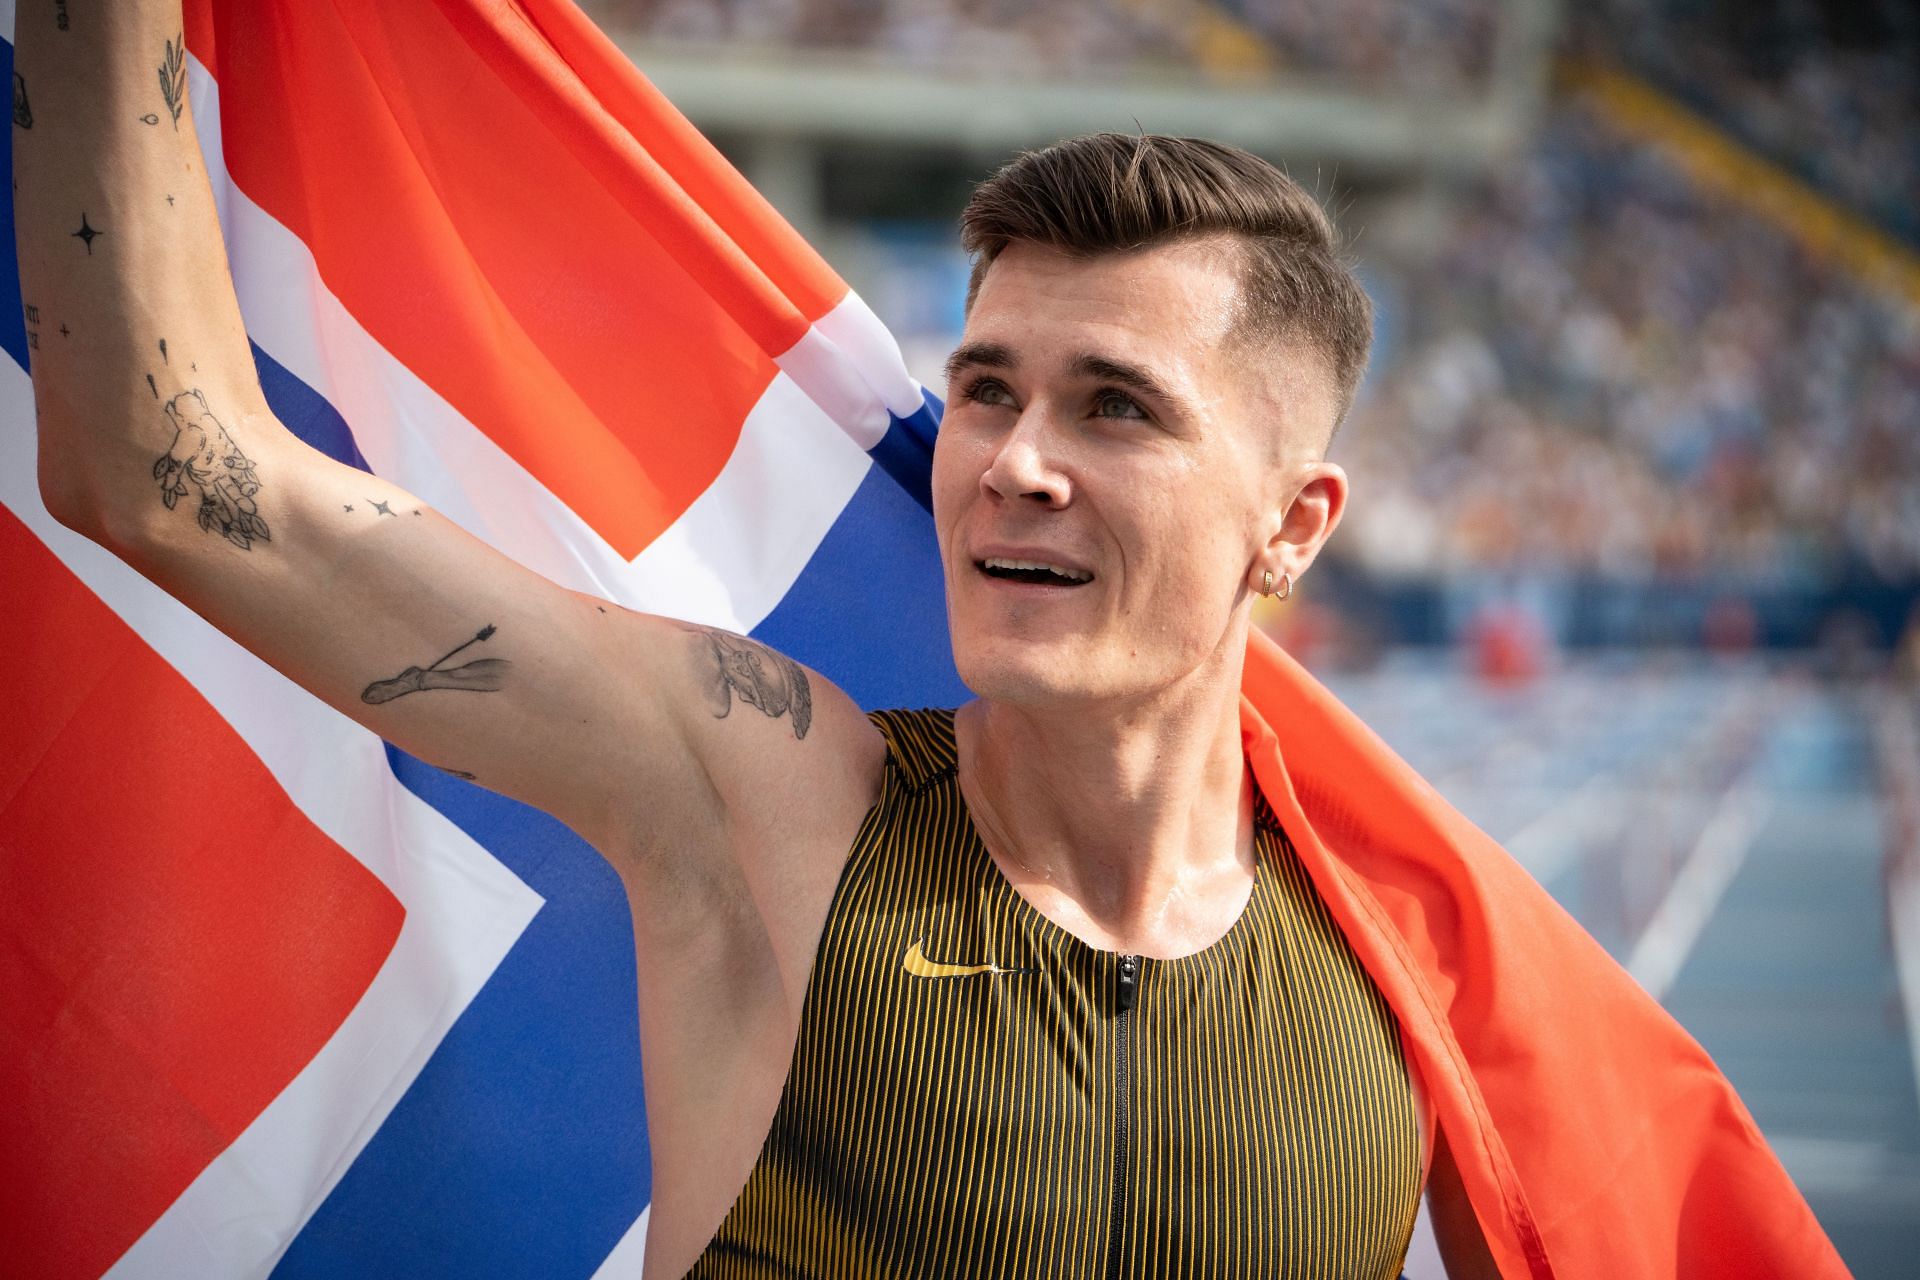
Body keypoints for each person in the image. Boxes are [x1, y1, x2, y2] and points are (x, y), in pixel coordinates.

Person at [17, 6, 1499, 1277]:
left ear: (1293, 527)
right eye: (986, 390)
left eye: (1115, 406)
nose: (1011, 462)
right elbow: (174, 474)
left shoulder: (1406, 982)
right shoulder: (777, 800)